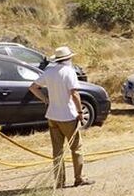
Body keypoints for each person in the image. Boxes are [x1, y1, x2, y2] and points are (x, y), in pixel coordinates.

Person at [29, 46, 94, 189]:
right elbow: (75, 94)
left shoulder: (49, 72)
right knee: (76, 148)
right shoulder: (69, 72)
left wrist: (45, 99)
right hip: (68, 116)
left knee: (57, 151)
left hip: (52, 116)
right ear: (68, 59)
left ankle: (59, 181)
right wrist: (80, 112)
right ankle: (79, 178)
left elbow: (33, 87)